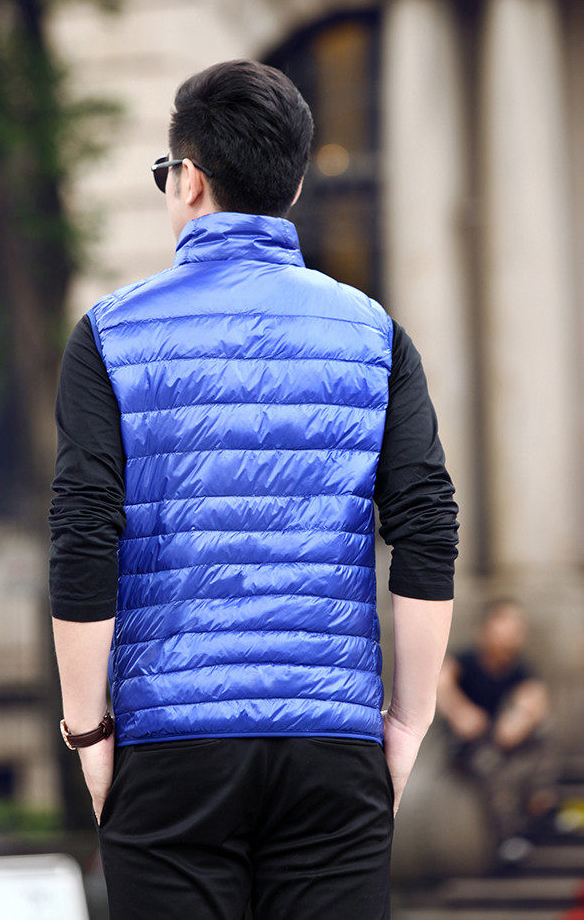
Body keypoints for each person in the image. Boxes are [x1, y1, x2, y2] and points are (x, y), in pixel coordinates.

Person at [48, 58, 460, 919]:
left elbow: (85, 530)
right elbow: (426, 524)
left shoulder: (109, 335)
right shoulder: (376, 334)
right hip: (331, 741)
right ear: (295, 185)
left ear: (189, 178)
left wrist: (88, 731)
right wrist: (409, 720)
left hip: (170, 744)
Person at [436, 596, 560, 866]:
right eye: (505, 624)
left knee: (544, 732)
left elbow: (535, 700)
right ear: (487, 628)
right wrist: (460, 712)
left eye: (517, 627)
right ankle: (510, 837)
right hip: (467, 745)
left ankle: (542, 803)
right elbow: (440, 683)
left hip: (500, 739)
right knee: (490, 764)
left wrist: (520, 720)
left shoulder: (520, 670)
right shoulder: (466, 660)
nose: (512, 633)